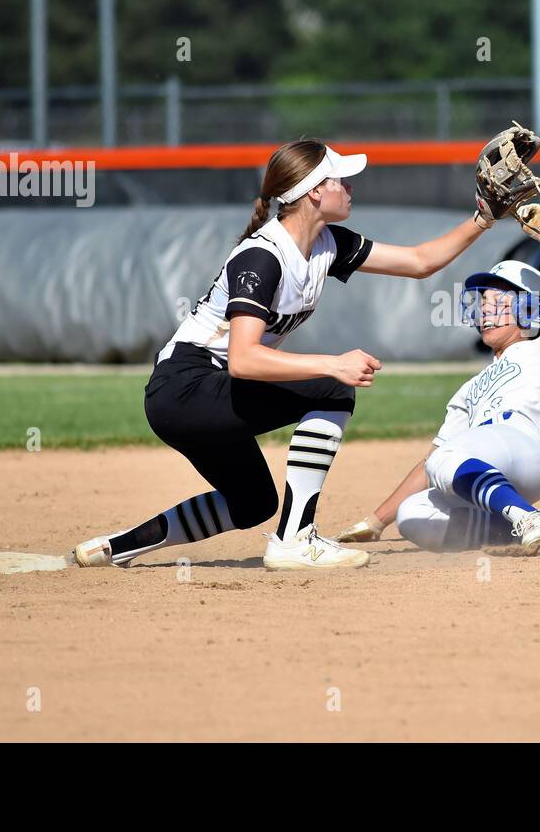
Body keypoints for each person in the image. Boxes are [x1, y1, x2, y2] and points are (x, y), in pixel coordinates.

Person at [71, 138, 496, 571]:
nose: (350, 187)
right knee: (332, 388)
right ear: (314, 191)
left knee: (252, 503)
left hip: (210, 391)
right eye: (340, 180)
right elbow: (243, 359)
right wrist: (333, 364)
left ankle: (116, 548)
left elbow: (420, 261)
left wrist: (483, 218)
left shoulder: (327, 244)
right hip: (186, 387)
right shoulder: (263, 257)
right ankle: (295, 538)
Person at [335, 204, 540, 555]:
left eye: (498, 302)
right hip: (482, 466)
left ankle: (528, 519)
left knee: (444, 459)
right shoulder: (470, 388)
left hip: (523, 453)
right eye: (483, 303)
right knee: (414, 515)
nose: (485, 309)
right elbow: (433, 463)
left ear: (531, 308)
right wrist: (375, 522)